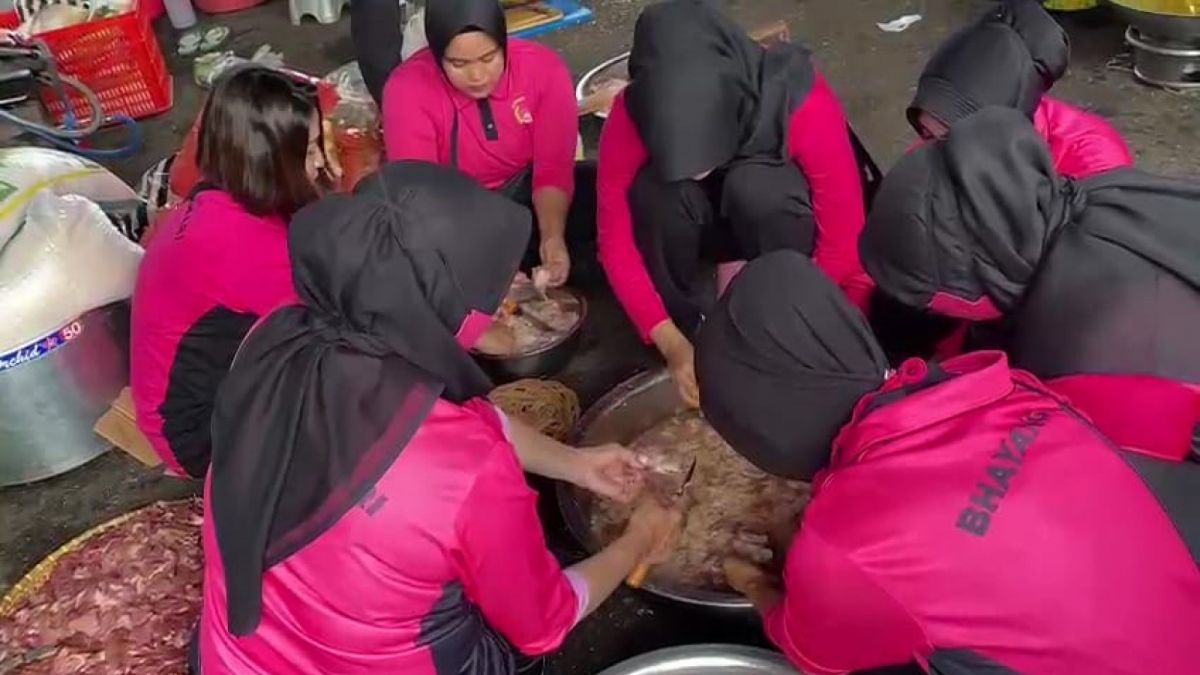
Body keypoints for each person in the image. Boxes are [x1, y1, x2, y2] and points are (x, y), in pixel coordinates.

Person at [196, 162, 682, 675]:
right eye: (489, 276)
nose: (513, 282)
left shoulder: (278, 337)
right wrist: (640, 540)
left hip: (232, 655)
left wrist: (577, 465)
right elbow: (545, 624)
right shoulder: (471, 470)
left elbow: (441, 425)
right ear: (439, 307)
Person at [695, 250, 1200, 675]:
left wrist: (753, 582)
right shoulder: (992, 387)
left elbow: (813, 655)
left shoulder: (842, 547)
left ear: (763, 426)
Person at [597, 0, 874, 408]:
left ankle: (776, 298)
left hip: (767, 213)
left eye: (702, 154)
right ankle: (692, 323)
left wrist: (785, 327)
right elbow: (615, 241)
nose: (694, 170)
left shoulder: (799, 99)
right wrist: (670, 340)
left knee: (759, 187)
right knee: (655, 195)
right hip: (700, 219)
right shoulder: (630, 115)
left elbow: (845, 240)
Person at [862, 107, 1200, 402]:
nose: (927, 309)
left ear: (976, 280)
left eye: (924, 295)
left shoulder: (1073, 353)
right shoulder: (1096, 192)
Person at [130, 67, 326, 478]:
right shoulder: (243, 247)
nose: (321, 162)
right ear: (267, 160)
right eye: (309, 152)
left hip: (189, 395)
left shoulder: (222, 197)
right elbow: (344, 320)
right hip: (196, 433)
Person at [382, 0, 591, 288]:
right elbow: (420, 198)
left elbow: (553, 168)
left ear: (504, 43)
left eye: (489, 57)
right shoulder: (407, 90)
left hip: (525, 203)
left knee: (601, 193)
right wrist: (472, 265)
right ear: (437, 53)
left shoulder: (543, 69)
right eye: (459, 64)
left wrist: (552, 238)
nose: (477, 76)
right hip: (452, 215)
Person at [908, 0, 1131, 178]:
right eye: (927, 135)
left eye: (949, 139)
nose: (935, 153)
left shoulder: (1095, 161)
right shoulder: (934, 144)